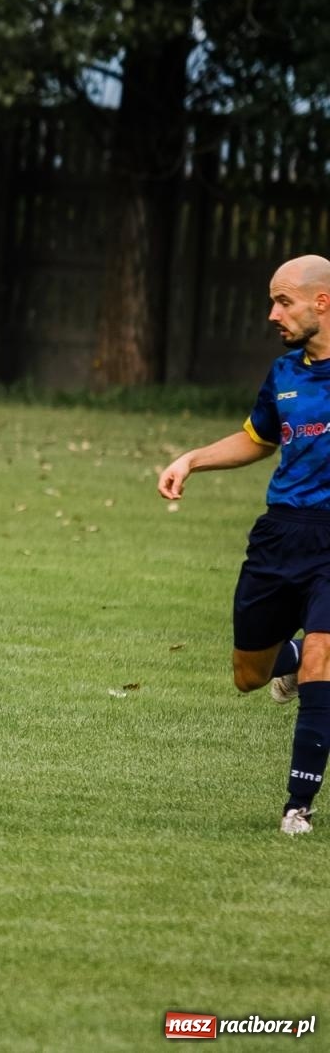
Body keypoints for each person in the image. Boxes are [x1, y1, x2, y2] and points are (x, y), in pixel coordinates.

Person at [158, 253, 330, 836]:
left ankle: (297, 807)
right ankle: (289, 659)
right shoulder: (284, 374)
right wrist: (192, 460)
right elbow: (258, 439)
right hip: (282, 534)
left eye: (283, 301)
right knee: (248, 675)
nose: (272, 314)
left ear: (321, 302)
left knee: (323, 658)